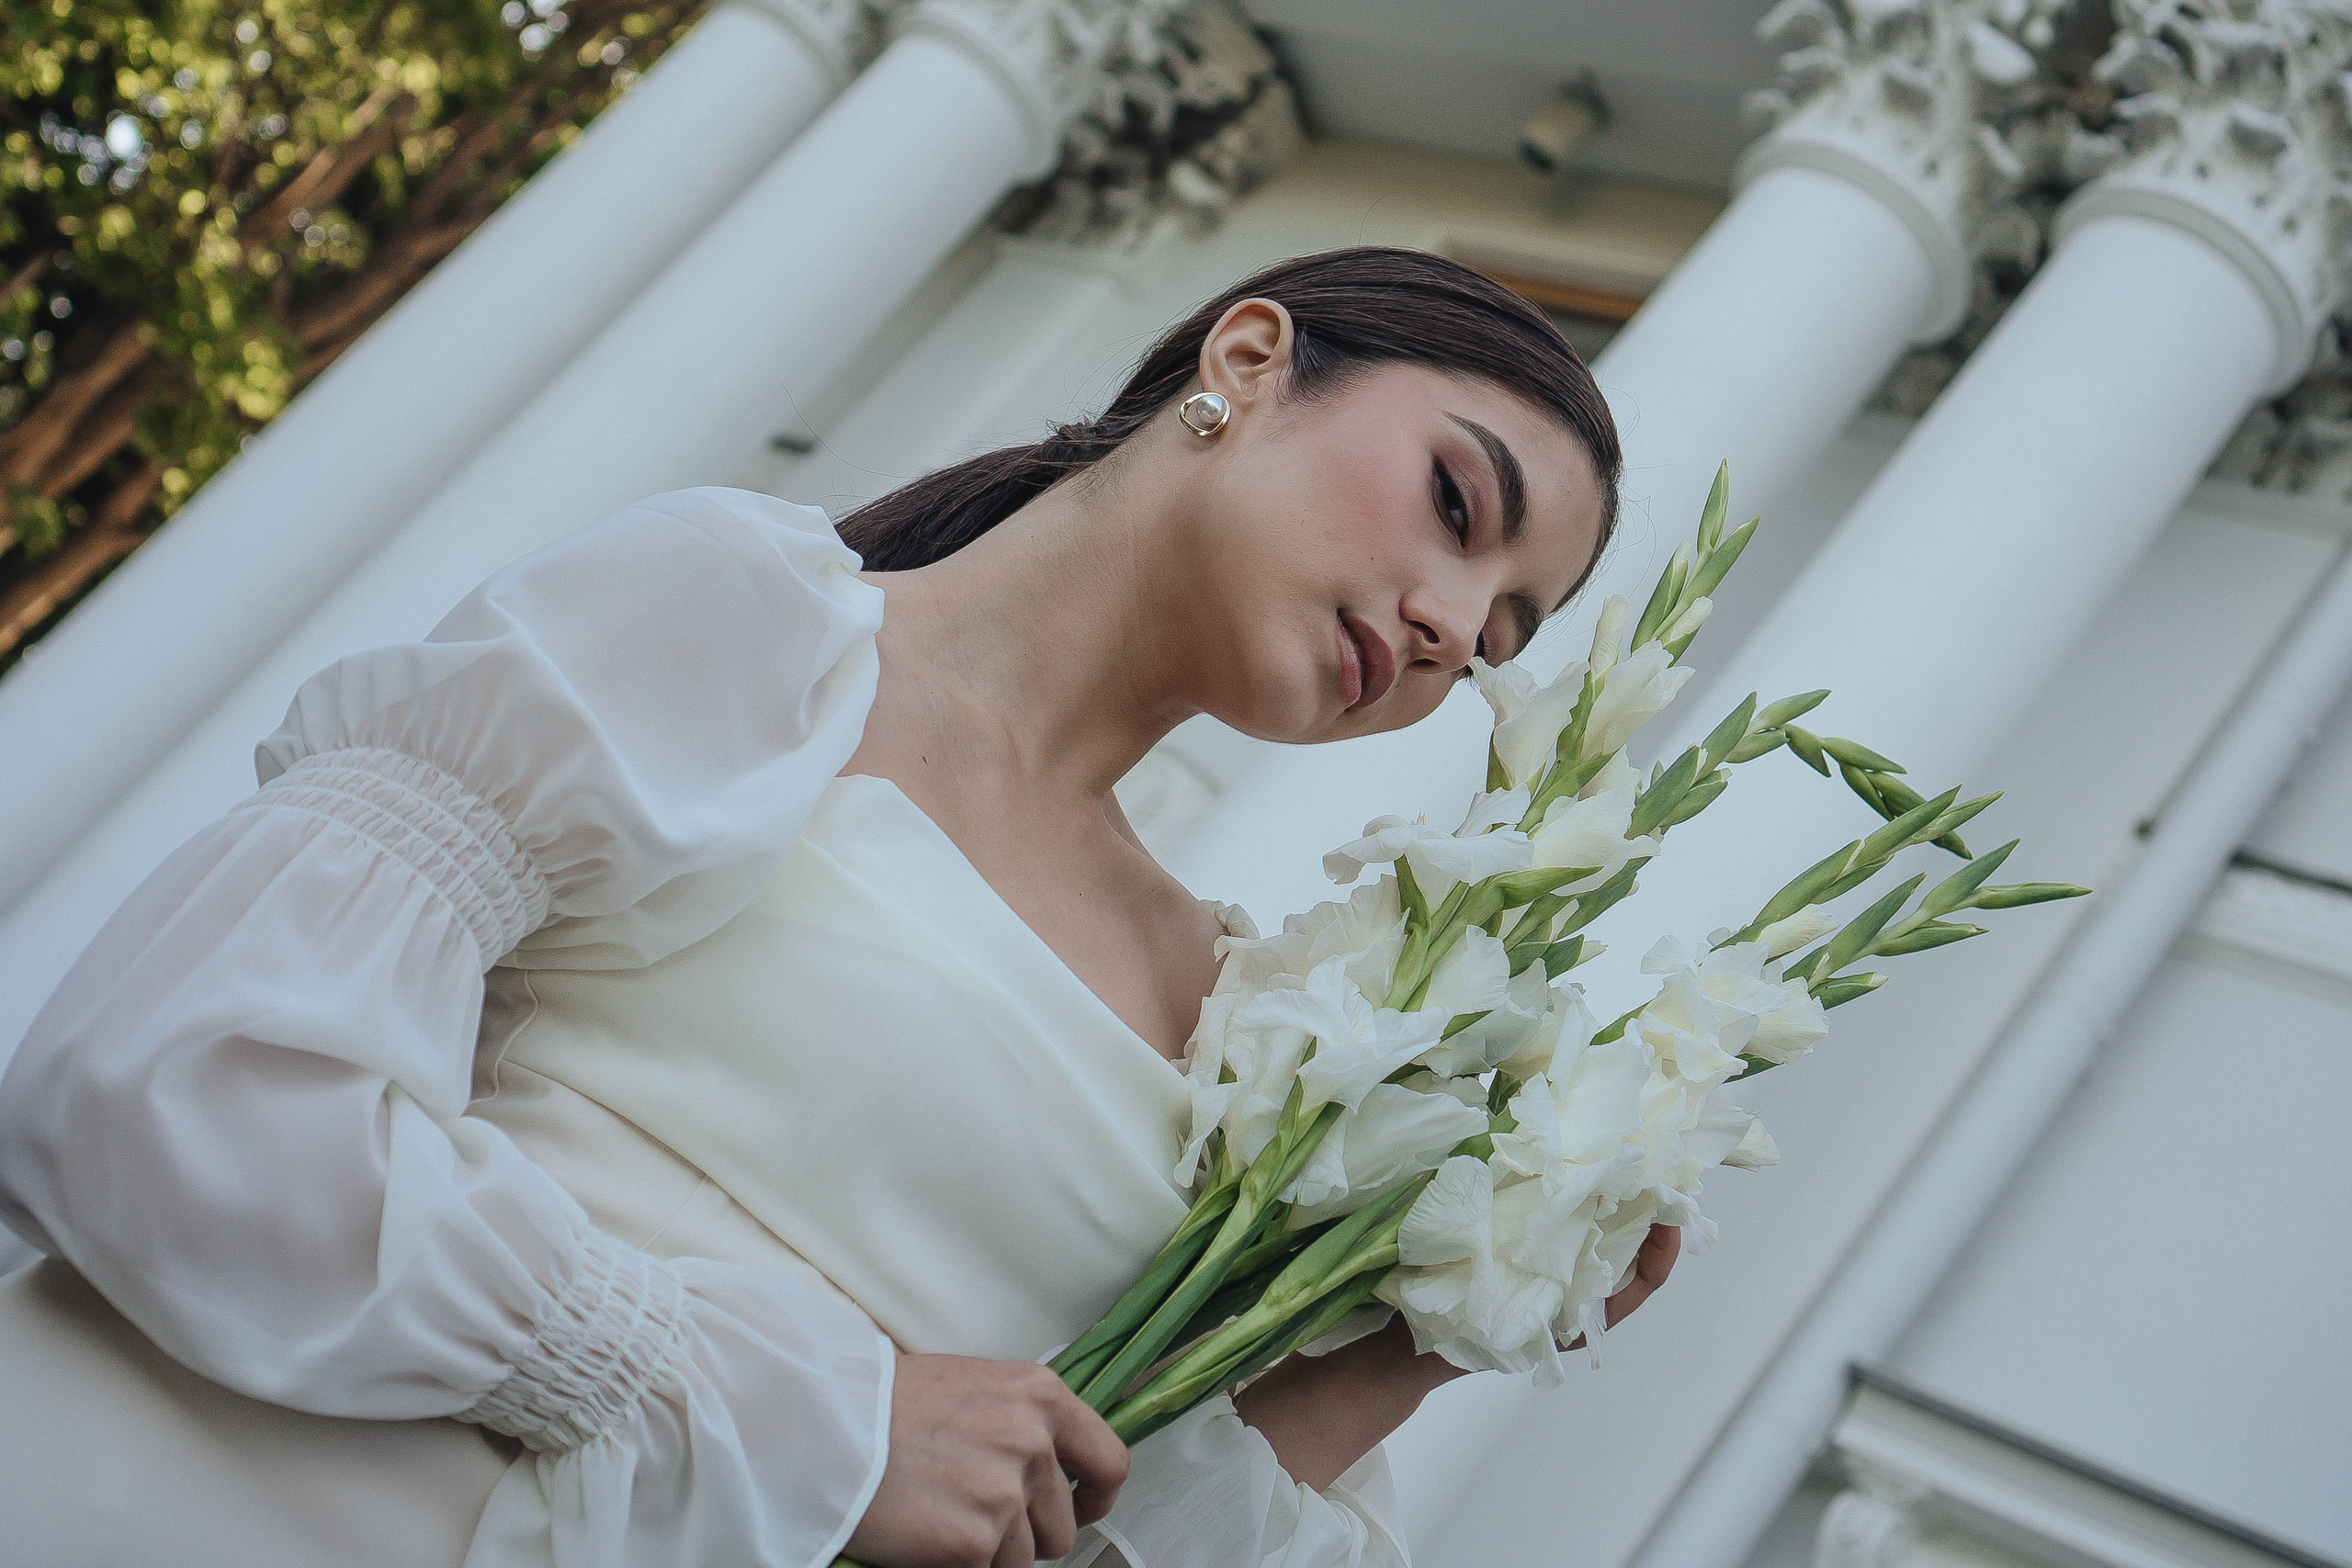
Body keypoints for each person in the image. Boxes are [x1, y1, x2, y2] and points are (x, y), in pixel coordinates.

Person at [0, 246, 1679, 1568]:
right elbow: (171, 1075)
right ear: (1248, 362)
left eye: (1508, 634)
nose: (1461, 626)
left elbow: (1058, 1512)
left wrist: (1458, 1315)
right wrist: (799, 1415)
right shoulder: (746, 624)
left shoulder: (1247, 1023)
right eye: (1460, 509)